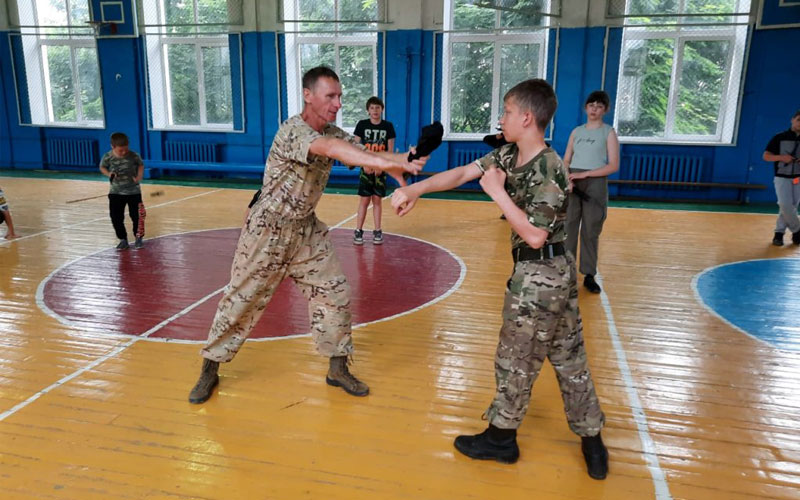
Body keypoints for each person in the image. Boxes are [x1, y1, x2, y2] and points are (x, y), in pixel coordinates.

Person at [391, 79, 608, 479]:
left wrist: (498, 195)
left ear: (526, 117)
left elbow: (536, 234)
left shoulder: (550, 168)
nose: (501, 118)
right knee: (569, 358)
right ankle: (592, 439)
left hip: (541, 274)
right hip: (550, 274)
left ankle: (501, 439)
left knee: (515, 359)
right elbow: (460, 174)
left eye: (507, 111)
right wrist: (416, 190)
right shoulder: (509, 154)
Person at [188, 66, 426, 404]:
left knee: (335, 291)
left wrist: (402, 159)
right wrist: (390, 161)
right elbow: (332, 149)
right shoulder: (294, 131)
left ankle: (337, 368)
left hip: (304, 230)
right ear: (308, 95)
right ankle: (209, 369)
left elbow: (363, 154)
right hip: (267, 231)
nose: (338, 103)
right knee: (239, 302)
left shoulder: (333, 132)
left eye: (340, 96)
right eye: (330, 96)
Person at [562, 90, 619, 294]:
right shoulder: (577, 131)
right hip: (573, 182)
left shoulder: (608, 132)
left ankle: (589, 274)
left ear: (605, 110)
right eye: (591, 105)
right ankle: (567, 275)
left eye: (599, 106)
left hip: (594, 182)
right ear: (585, 108)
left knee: (590, 230)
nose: (594, 109)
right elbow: (567, 158)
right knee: (568, 228)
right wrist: (567, 175)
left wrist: (586, 174)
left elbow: (613, 165)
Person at [352, 96, 396, 245]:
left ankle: (377, 230)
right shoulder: (362, 125)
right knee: (364, 200)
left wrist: (381, 166)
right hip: (366, 168)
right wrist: (364, 164)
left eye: (377, 107)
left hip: (379, 169)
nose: (375, 110)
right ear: (368, 110)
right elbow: (355, 148)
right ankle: (358, 230)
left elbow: (389, 152)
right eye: (372, 108)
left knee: (377, 200)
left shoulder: (388, 126)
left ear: (382, 109)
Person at [99, 132, 146, 250]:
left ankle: (138, 237)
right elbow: (102, 167)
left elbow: (140, 165)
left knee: (137, 216)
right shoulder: (108, 156)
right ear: (112, 146)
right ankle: (123, 239)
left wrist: (139, 176)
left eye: (126, 149)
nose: (124, 152)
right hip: (116, 192)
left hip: (133, 192)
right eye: (121, 151)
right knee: (116, 217)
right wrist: (109, 174)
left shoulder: (134, 156)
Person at [763, 109, 800, 246]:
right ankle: (797, 231)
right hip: (782, 177)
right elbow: (766, 156)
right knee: (784, 205)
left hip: (798, 178)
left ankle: (779, 234)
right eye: (799, 120)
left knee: (791, 207)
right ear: (792, 119)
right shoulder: (779, 137)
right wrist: (781, 157)